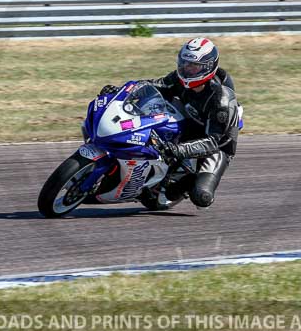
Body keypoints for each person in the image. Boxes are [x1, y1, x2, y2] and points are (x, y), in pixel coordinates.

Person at [99, 37, 239, 208]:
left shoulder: (221, 100)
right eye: (185, 63)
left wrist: (178, 150)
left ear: (208, 67)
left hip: (217, 141)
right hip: (189, 118)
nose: (187, 70)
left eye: (194, 66)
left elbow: (213, 143)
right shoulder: (179, 78)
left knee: (201, 196)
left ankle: (187, 182)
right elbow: (154, 85)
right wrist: (121, 91)